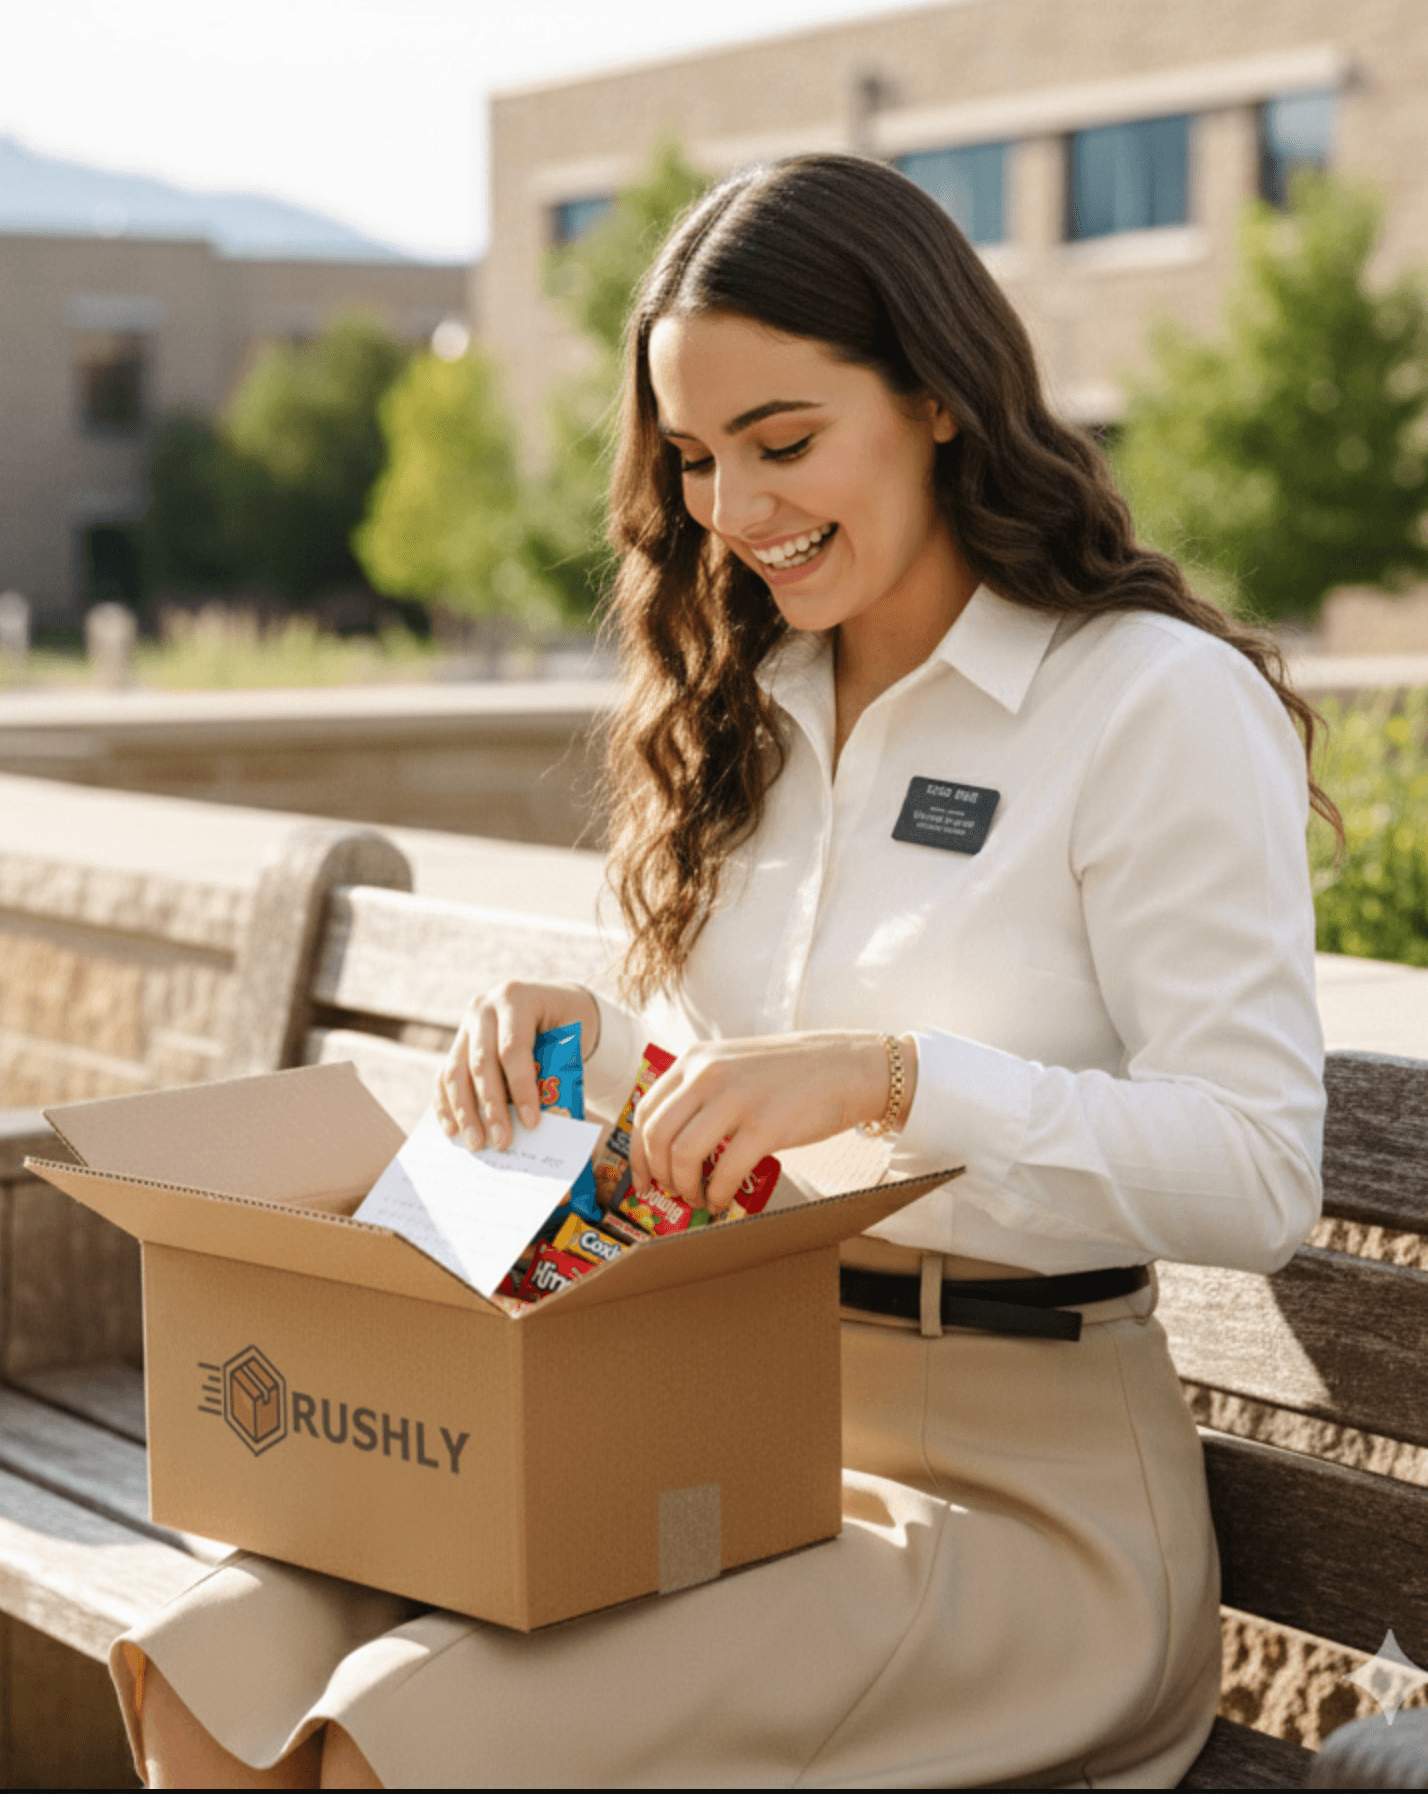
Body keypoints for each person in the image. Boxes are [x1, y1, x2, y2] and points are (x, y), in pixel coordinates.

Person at [111, 153, 1332, 1789]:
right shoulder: (743, 700)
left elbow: (1261, 1175)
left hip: (1024, 1514)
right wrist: (593, 1052)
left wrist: (893, 1077)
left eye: (785, 441)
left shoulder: (1147, 703)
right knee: (220, 1660)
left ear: (941, 399)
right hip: (716, 1421)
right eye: (694, 458)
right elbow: (722, 1101)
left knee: (407, 1735)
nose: (734, 511)